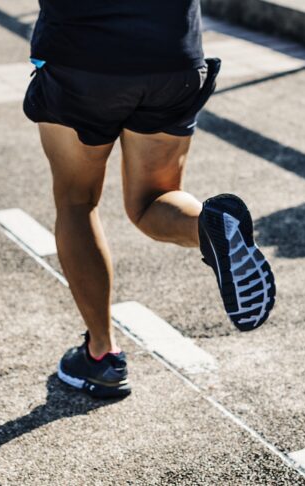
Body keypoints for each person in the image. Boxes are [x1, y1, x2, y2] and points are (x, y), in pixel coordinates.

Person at [23, 1, 276, 398]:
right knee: (154, 198)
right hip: (172, 55)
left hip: (81, 57)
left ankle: (101, 355)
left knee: (77, 202)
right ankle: (208, 226)